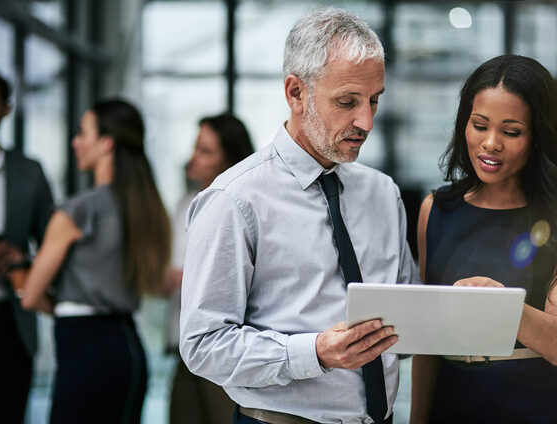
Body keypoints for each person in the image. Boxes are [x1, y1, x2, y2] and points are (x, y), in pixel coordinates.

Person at [179, 6, 419, 424]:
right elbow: (203, 345)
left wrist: (459, 307)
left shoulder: (383, 193)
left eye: (374, 101)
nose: (366, 121)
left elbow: (407, 323)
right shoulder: (234, 200)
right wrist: (314, 354)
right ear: (296, 93)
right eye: (347, 102)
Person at [409, 54, 557, 423]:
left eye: (511, 132)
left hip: (537, 408)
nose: (490, 143)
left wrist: (497, 304)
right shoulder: (435, 208)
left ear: (537, 137)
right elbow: (427, 344)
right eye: (479, 125)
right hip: (451, 405)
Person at [19, 98, 171, 424]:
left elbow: (31, 295)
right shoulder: (144, 208)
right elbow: (154, 282)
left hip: (84, 349)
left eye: (82, 132)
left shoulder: (77, 210)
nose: (75, 142)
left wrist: (14, 267)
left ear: (106, 142)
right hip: (128, 350)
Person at [0, 66, 53, 423]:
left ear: (5, 109)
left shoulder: (29, 171)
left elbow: (51, 242)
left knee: (9, 415)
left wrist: (20, 258)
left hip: (10, 318)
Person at [167, 113, 254, 424]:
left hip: (227, 347)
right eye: (195, 148)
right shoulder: (184, 204)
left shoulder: (242, 207)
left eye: (206, 151)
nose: (193, 159)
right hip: (184, 342)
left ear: (228, 159)